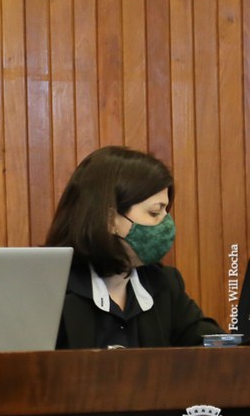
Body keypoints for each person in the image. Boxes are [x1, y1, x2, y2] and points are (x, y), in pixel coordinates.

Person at [45, 145, 224, 348]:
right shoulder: (49, 287)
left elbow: (212, 348)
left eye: (166, 211)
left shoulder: (164, 284)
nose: (167, 225)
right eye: (155, 213)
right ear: (110, 219)